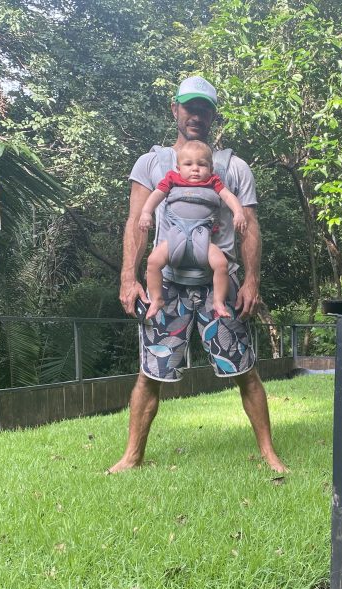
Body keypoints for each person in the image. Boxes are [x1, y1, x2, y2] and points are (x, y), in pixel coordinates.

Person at [108, 76, 286, 474]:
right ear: (175, 110)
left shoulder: (232, 167)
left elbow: (251, 226)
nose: (196, 115)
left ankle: (269, 454)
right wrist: (127, 276)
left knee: (247, 372)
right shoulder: (152, 164)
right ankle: (132, 456)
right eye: (189, 107)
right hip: (166, 285)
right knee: (148, 374)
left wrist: (253, 280)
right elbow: (136, 221)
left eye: (204, 108)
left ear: (212, 115)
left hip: (218, 285)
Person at [137, 139, 246, 320]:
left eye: (201, 165)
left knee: (221, 264)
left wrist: (239, 213)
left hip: (202, 237)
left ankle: (218, 301)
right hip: (175, 236)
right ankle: (156, 299)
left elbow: (229, 196)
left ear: (211, 168)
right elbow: (156, 195)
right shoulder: (172, 179)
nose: (195, 169)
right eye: (188, 164)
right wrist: (146, 213)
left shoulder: (213, 182)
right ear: (179, 168)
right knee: (153, 262)